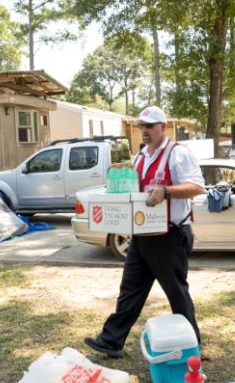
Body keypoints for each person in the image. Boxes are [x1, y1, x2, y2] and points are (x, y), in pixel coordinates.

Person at [84, 106, 205, 358]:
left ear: (163, 126)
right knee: (130, 289)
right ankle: (112, 340)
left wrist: (167, 191)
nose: (145, 131)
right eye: (142, 126)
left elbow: (197, 187)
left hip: (170, 236)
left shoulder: (177, 153)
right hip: (142, 236)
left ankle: (192, 344)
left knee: (176, 292)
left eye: (149, 126)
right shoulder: (140, 158)